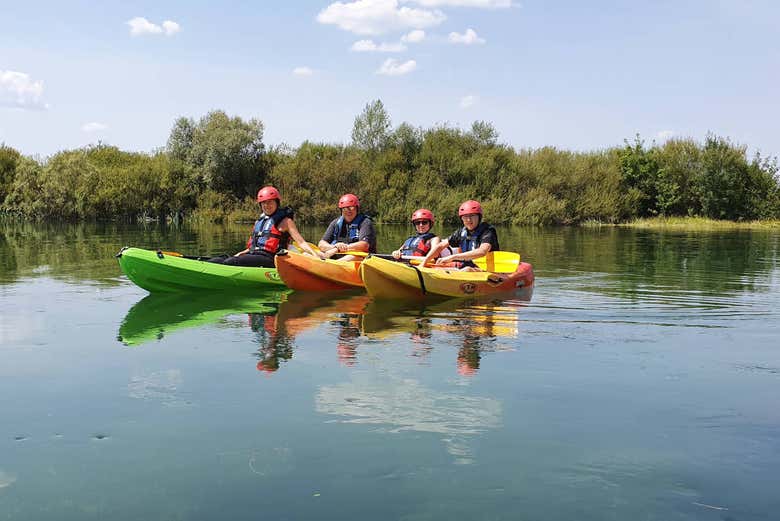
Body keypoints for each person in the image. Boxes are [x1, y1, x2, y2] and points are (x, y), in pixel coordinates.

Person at [209, 186, 319, 268]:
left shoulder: (286, 221)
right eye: (264, 203)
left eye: (270, 202)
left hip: (271, 258)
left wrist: (315, 255)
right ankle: (205, 265)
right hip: (254, 255)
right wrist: (241, 253)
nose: (267, 206)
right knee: (223, 258)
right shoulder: (259, 221)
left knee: (231, 262)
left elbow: (301, 243)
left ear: (277, 202)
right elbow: (253, 246)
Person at [418, 199, 499, 270]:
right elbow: (440, 246)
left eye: (472, 216)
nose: (468, 219)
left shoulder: (487, 231)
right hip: (468, 266)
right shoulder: (461, 232)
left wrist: (453, 257)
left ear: (479, 217)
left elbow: (482, 251)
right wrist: (424, 262)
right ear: (461, 219)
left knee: (467, 269)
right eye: (465, 217)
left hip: (485, 269)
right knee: (442, 266)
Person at [318, 193, 377, 260]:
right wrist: (334, 247)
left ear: (356, 209)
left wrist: (339, 249)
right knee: (312, 253)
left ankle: (332, 266)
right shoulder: (336, 223)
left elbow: (364, 245)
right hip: (338, 255)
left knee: (351, 257)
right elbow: (321, 244)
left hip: (360, 257)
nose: (348, 211)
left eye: (351, 208)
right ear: (341, 210)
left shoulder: (365, 222)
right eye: (345, 209)